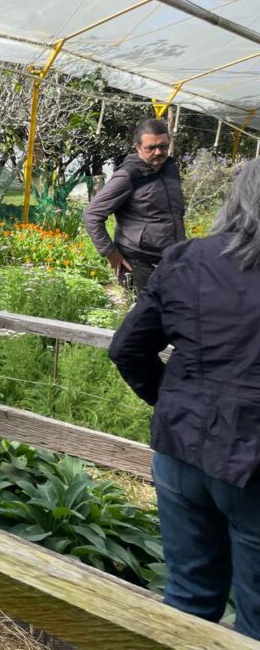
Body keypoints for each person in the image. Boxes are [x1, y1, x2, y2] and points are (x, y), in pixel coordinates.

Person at [108, 159, 260, 640]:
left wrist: (173, 403)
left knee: (189, 598)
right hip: (252, 464)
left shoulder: (188, 258)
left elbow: (127, 348)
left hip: (182, 452)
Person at [83, 118, 185, 293]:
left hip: (172, 260)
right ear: (138, 147)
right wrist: (110, 252)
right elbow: (92, 215)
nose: (158, 152)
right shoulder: (128, 176)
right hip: (138, 264)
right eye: (150, 148)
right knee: (145, 318)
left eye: (163, 146)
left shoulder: (169, 168)